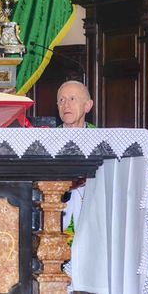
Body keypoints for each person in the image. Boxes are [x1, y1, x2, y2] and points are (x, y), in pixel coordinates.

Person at [56, 80, 94, 243]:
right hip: (58, 209)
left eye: (72, 99)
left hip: (92, 210)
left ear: (88, 106)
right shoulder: (48, 139)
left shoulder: (101, 138)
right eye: (61, 100)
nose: (66, 105)